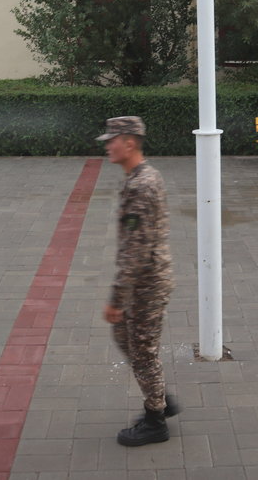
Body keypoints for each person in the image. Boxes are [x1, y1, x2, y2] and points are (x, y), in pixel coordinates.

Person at [96, 116, 178, 446]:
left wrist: (117, 299)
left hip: (147, 284)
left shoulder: (141, 185)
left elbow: (135, 251)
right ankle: (160, 397)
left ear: (129, 143)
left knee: (142, 351)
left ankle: (156, 421)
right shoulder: (142, 176)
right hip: (145, 279)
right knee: (124, 337)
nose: (107, 146)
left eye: (111, 141)